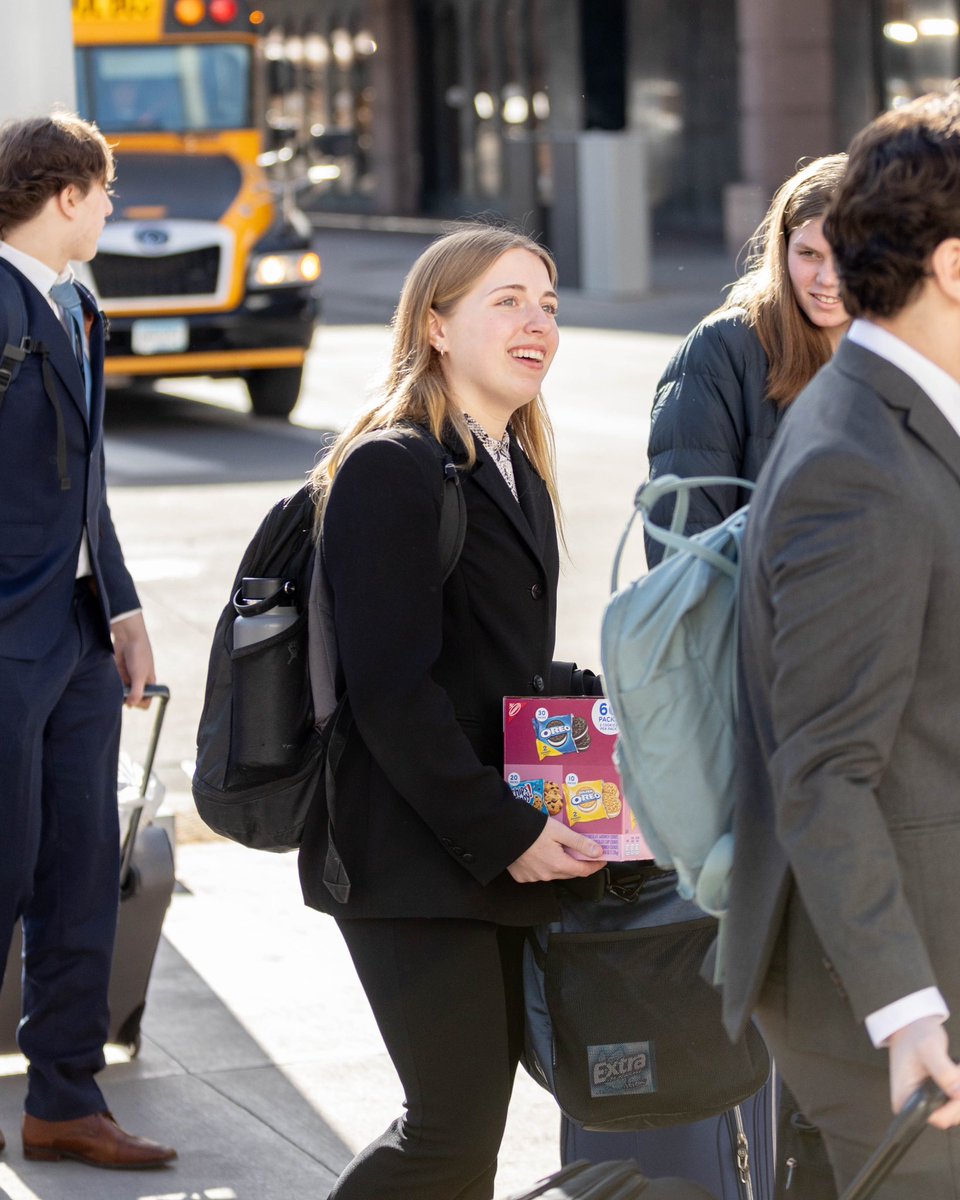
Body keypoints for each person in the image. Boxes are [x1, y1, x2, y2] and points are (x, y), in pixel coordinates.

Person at [299, 224, 607, 1200]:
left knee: (465, 1137)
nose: (537, 322)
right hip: (408, 851)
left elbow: (493, 666)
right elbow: (390, 691)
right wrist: (507, 831)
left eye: (548, 303)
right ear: (436, 326)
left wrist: (598, 731)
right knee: (448, 1131)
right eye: (506, 300)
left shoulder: (514, 463)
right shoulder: (393, 466)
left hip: (480, 844)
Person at [722, 86, 960, 1196]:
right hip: (892, 991)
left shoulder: (903, 408)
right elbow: (822, 771)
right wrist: (907, 1009)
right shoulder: (854, 460)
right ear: (952, 270)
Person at [0, 113, 175, 1168]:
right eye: (106, 192)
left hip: (74, 637)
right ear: (66, 194)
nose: (112, 209)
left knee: (79, 868)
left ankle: (64, 1096)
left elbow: (87, 483)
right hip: (6, 636)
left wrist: (123, 609)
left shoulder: (77, 302)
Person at [645, 153, 850, 564]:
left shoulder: (904, 353)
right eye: (809, 254)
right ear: (783, 249)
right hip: (765, 623)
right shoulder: (722, 348)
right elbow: (684, 543)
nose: (828, 278)